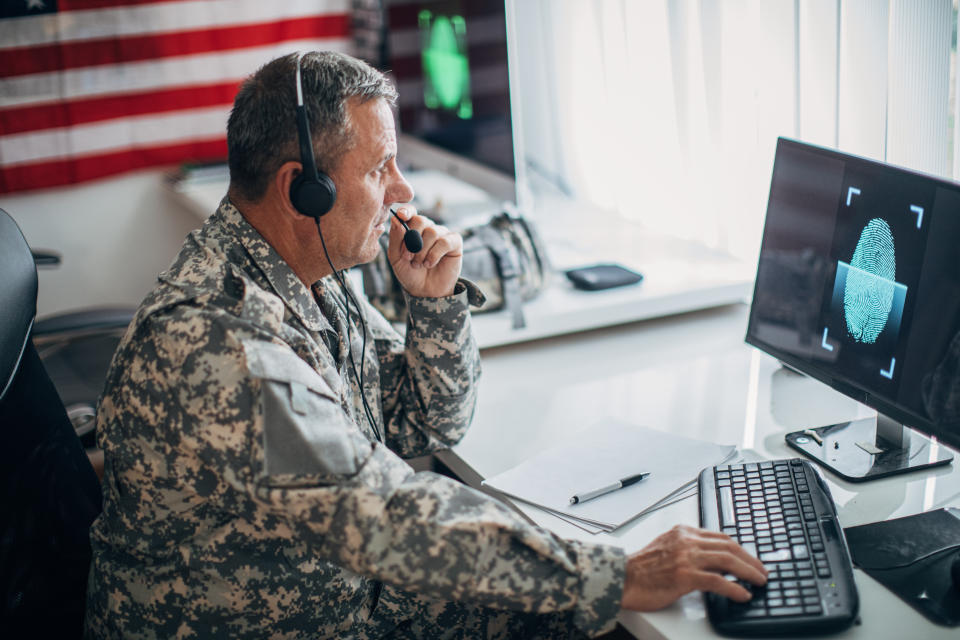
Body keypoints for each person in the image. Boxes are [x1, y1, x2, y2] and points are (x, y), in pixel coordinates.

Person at [85, 51, 766, 639]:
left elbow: (425, 423)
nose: (404, 191)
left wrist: (434, 304)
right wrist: (618, 574)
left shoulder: (309, 274)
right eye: (380, 167)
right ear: (306, 191)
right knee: (604, 617)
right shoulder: (217, 346)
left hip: (347, 601)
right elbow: (385, 515)